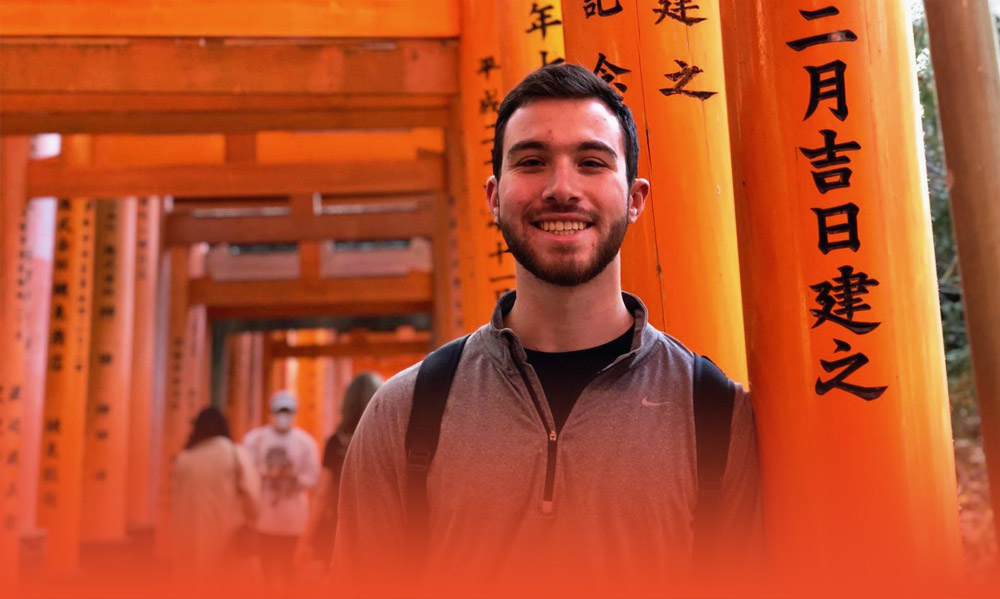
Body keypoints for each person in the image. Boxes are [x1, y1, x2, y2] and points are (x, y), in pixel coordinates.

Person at [331, 64, 761, 598]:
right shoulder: (406, 413)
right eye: (532, 162)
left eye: (591, 163)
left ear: (635, 198)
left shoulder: (717, 416)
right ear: (493, 196)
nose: (562, 189)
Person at [296, 371, 383, 568]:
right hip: (381, 525)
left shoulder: (336, 443)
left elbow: (323, 494)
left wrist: (305, 540)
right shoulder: (388, 439)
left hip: (340, 528)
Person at [171, 407, 260, 588]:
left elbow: (177, 506)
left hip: (192, 543)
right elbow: (252, 499)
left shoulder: (184, 459)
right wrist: (251, 518)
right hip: (230, 543)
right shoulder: (236, 454)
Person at [242, 390, 320, 591]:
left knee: (289, 566)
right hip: (263, 517)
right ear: (271, 412)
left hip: (292, 519)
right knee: (265, 565)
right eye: (279, 411)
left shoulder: (305, 443)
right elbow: (245, 473)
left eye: (287, 411)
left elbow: (312, 477)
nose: (283, 415)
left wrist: (293, 479)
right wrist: (266, 475)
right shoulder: (255, 439)